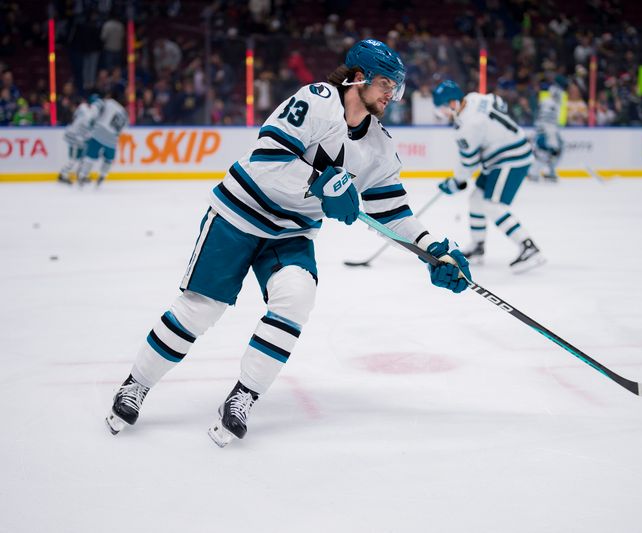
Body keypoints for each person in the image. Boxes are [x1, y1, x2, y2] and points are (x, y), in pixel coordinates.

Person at [104, 39, 472, 448]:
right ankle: (136, 384)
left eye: (396, 87)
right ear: (357, 78)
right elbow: (267, 158)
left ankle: (243, 395)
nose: (392, 94)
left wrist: (432, 250)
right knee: (199, 311)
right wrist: (324, 184)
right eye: (386, 83)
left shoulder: (379, 146)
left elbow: (393, 211)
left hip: (291, 232)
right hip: (238, 215)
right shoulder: (315, 101)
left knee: (296, 296)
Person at [432, 79, 545, 273]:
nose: (442, 113)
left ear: (453, 103)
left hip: (510, 159)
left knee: (492, 205)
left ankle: (529, 247)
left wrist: (456, 182)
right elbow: (499, 102)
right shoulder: (475, 98)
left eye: (442, 108)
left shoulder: (467, 126)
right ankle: (477, 248)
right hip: (503, 155)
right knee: (476, 200)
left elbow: (468, 164)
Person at [75, 90, 128, 186]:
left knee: (90, 156)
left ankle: (83, 175)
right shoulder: (125, 113)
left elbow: (95, 110)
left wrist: (90, 121)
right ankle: (102, 175)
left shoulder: (109, 103)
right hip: (113, 139)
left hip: (100, 133)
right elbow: (122, 128)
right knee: (109, 159)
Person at [57, 94, 103, 184]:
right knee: (75, 159)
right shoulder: (91, 113)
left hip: (77, 136)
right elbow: (89, 125)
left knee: (83, 157)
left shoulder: (83, 108)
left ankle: (81, 174)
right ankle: (63, 174)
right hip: (75, 137)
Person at [530, 75, 567, 182]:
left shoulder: (551, 102)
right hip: (546, 133)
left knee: (550, 153)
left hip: (547, 132)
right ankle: (535, 172)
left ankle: (548, 172)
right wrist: (552, 139)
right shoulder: (550, 104)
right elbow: (546, 123)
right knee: (546, 152)